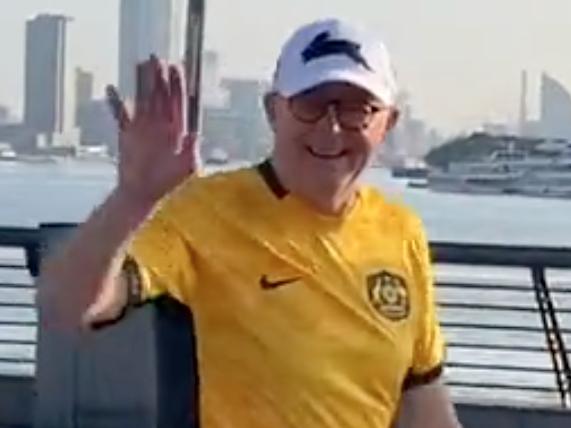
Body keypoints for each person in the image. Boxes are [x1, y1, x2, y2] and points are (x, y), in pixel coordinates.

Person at [38, 17, 461, 428]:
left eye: (356, 109)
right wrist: (132, 198)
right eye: (310, 105)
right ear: (273, 110)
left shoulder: (401, 231)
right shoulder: (204, 210)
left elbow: (423, 397)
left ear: (388, 122)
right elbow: (66, 306)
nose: (331, 128)